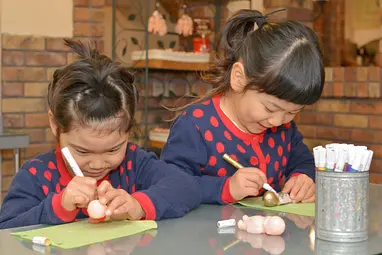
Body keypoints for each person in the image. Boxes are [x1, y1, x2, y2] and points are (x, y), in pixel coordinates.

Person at [0, 39, 201, 229]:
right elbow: (6, 230)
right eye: (82, 151)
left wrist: (137, 204)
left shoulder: (135, 164)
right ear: (55, 124)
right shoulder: (36, 177)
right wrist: (58, 207)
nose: (97, 165)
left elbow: (188, 187)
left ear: (129, 129)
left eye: (113, 149)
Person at [161, 9, 324, 205]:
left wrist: (303, 177)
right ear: (239, 79)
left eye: (292, 112)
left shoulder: (284, 129)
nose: (277, 121)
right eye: (270, 109)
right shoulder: (196, 126)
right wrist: (226, 188)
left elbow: (302, 159)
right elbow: (171, 184)